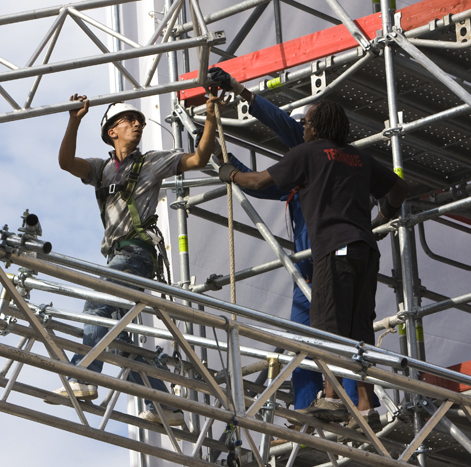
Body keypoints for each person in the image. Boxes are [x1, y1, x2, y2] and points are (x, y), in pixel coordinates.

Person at [217, 99, 409, 433]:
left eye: (305, 123)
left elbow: (261, 182)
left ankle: (332, 398)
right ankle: (365, 406)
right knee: (359, 329)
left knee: (327, 324)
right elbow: (401, 188)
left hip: (334, 249)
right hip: (365, 250)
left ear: (316, 127)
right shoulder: (359, 157)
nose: (302, 128)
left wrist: (229, 172)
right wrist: (382, 217)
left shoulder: (307, 154)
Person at [54, 91, 225, 426]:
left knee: (96, 307)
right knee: (116, 339)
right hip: (118, 256)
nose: (138, 124)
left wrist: (212, 119)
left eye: (140, 121)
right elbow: (65, 162)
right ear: (111, 131)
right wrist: (73, 121)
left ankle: (85, 376)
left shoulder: (152, 162)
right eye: (129, 120)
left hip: (136, 253)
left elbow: (198, 159)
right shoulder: (101, 170)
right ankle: (164, 403)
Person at [206, 67, 369, 413]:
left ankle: (354, 404)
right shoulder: (306, 174)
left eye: (303, 127)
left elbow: (281, 124)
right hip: (309, 267)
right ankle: (306, 410)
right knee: (303, 342)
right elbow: (264, 184)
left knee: (339, 334)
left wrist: (240, 90)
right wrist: (224, 160)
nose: (298, 132)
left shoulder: (317, 153)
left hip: (326, 258)